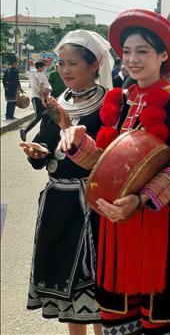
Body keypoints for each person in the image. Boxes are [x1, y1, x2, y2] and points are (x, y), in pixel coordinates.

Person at [59, 9, 170, 335]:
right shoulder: (120, 98)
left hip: (155, 221)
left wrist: (141, 199)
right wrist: (77, 144)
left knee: (155, 313)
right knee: (117, 311)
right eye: (127, 52)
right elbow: (105, 163)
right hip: (114, 222)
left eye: (142, 51)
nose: (132, 60)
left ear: (163, 55)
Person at [21, 30, 114, 335]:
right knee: (66, 285)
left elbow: (107, 157)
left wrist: (69, 128)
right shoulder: (57, 103)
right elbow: (46, 146)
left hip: (91, 204)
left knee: (94, 281)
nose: (65, 70)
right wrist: (37, 153)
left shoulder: (109, 106)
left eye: (73, 63)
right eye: (61, 63)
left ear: (94, 65)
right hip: (57, 204)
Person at [20, 60, 52, 141]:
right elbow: (35, 87)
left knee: (46, 116)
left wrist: (48, 89)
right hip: (36, 97)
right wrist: (41, 91)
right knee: (38, 116)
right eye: (43, 67)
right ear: (39, 67)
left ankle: (43, 136)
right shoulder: (33, 74)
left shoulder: (43, 75)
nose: (44, 68)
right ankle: (25, 130)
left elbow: (48, 85)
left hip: (45, 97)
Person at [3, 53, 20, 120]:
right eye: (16, 62)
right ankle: (10, 116)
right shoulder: (15, 70)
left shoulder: (7, 70)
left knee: (9, 102)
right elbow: (16, 80)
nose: (17, 64)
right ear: (14, 63)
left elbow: (4, 80)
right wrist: (20, 88)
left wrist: (5, 87)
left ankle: (7, 115)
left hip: (7, 88)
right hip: (13, 88)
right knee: (13, 102)